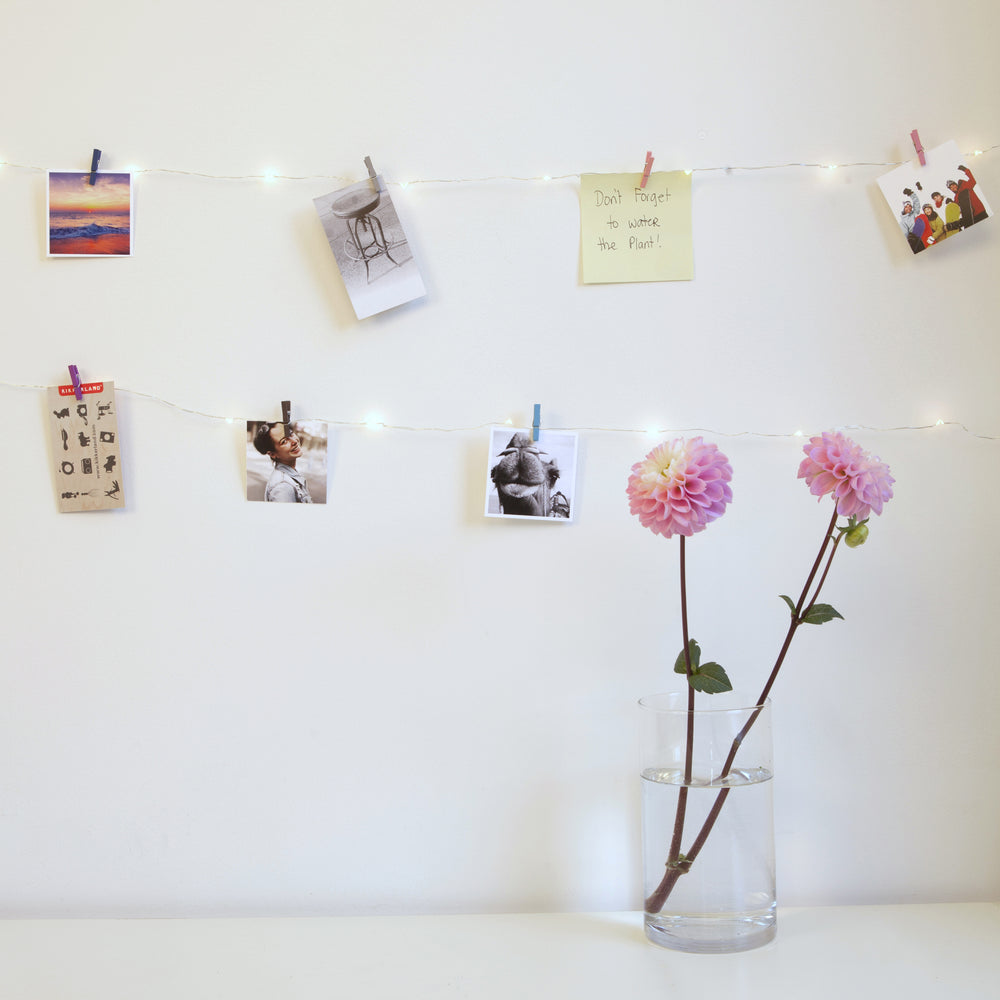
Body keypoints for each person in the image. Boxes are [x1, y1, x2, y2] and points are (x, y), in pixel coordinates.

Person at [252, 422, 313, 503]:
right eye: (284, 441)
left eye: (291, 434)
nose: (294, 441)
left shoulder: (290, 475)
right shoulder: (283, 486)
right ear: (273, 454)